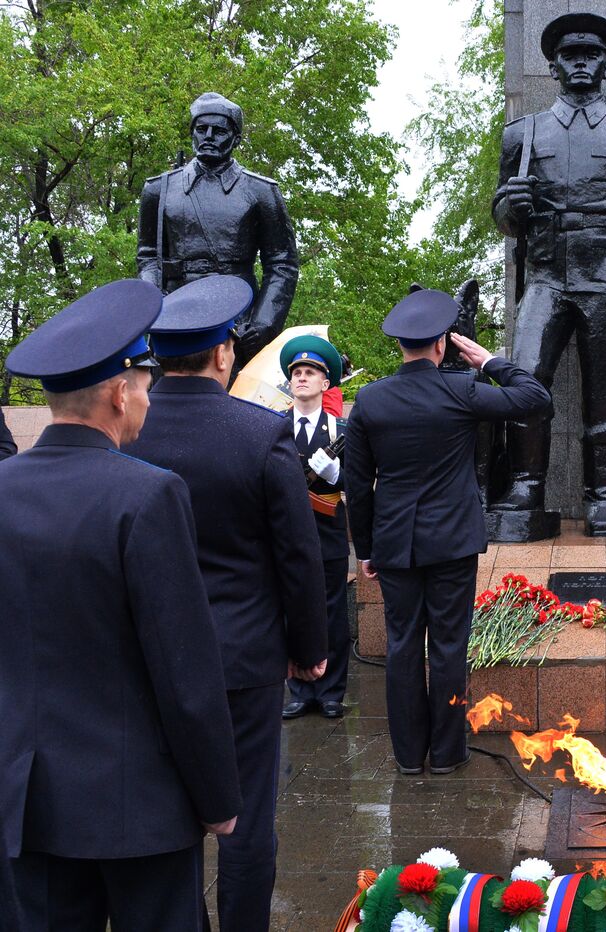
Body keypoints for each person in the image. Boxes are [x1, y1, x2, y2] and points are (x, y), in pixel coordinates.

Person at [1, 279, 240, 930]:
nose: (147, 398)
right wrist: (219, 798)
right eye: (143, 384)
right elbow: (184, 669)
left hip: (31, 806)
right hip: (139, 808)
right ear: (117, 393)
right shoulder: (148, 495)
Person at [123, 274, 327, 932]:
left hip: (151, 662)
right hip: (241, 663)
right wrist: (308, 651)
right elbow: (298, 556)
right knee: (247, 824)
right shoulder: (261, 434)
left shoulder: (129, 434)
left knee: (166, 813)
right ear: (221, 354)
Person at [343, 289, 550, 775]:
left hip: (394, 544)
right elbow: (536, 399)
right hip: (452, 542)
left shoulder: (371, 400)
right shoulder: (460, 388)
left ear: (401, 346)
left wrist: (366, 550)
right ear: (441, 344)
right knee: (449, 647)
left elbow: (358, 483)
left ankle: (408, 757)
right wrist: (491, 361)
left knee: (402, 646)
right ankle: (448, 753)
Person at [490, 12, 606, 536]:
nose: (580, 62)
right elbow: (504, 218)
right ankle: (526, 486)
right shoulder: (522, 132)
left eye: (590, 55)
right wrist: (509, 206)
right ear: (553, 66)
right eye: (570, 55)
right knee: (526, 378)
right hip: (544, 275)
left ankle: (605, 497)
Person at [137, 92, 298, 368]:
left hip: (235, 321)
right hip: (176, 318)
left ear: (235, 138)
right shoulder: (159, 190)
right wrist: (155, 304)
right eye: (202, 129)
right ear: (192, 134)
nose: (209, 136)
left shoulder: (261, 191)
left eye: (219, 130)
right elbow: (148, 256)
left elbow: (282, 264)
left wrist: (261, 325)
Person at [280, 334, 351, 721]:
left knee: (332, 614)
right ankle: (299, 689)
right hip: (287, 535)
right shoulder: (274, 427)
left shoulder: (341, 429)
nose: (303, 377)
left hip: (327, 532)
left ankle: (330, 692)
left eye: (311, 372)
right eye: (298, 372)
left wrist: (338, 473)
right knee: (293, 611)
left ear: (326, 384)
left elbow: (361, 479)